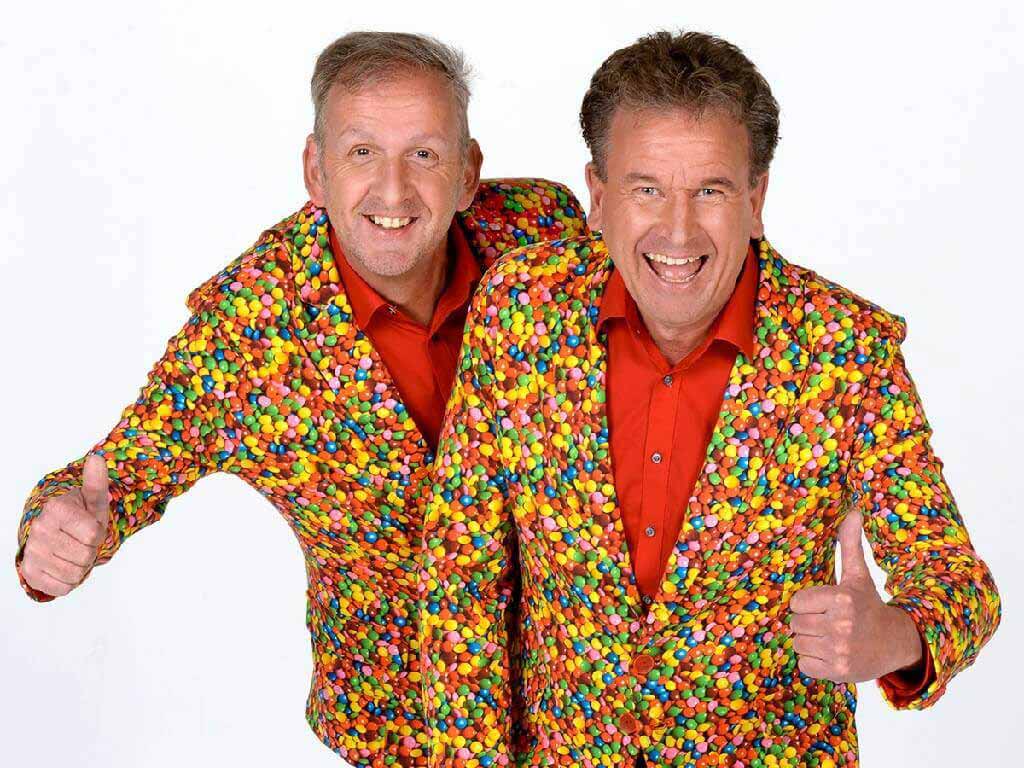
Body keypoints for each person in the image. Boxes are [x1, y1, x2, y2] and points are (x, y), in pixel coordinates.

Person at [420, 30, 1001, 767]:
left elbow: (959, 584)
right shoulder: (519, 310)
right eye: (647, 189)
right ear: (597, 196)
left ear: (755, 200)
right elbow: (461, 574)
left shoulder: (848, 353)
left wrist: (895, 638)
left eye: (711, 191)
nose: (678, 229)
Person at [15, 31, 585, 767]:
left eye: (423, 154)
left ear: (468, 172)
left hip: (579, 706)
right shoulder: (248, 327)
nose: (392, 190)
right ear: (316, 170)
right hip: (398, 727)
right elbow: (116, 475)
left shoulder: (544, 232)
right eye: (361, 153)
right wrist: (55, 531)